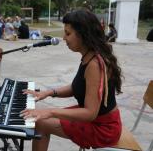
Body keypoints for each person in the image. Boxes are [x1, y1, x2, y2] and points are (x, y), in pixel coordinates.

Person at [20, 9, 123, 150]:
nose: (64, 38)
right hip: (99, 120)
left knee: (41, 122)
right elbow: (77, 87)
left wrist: (50, 111)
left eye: (68, 33)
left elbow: (90, 113)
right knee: (41, 116)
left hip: (103, 129)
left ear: (83, 35)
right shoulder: (90, 55)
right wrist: (48, 93)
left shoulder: (94, 64)